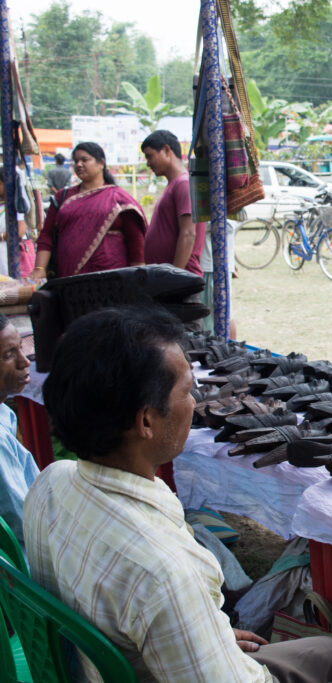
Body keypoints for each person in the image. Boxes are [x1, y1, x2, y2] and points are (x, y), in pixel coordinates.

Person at [23, 306, 332, 683]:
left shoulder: (51, 483)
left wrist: (203, 636)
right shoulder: (164, 575)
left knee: (329, 650)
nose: (196, 399)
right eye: (186, 391)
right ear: (146, 421)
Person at [30, 142, 147, 279]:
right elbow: (47, 235)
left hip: (112, 280)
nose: (79, 164)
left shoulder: (118, 199)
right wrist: (39, 268)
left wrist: (138, 278)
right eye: (76, 161)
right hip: (68, 279)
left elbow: (136, 241)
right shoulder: (62, 197)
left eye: (84, 160)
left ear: (101, 163)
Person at [141, 130, 204, 276]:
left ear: (166, 150)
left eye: (150, 156)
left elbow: (188, 233)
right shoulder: (174, 185)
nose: (148, 163)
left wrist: (175, 277)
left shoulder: (183, 183)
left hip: (180, 281)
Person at [0, 313, 37, 546]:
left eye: (21, 349)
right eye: (8, 355)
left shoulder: (4, 412)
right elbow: (26, 522)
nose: (25, 362)